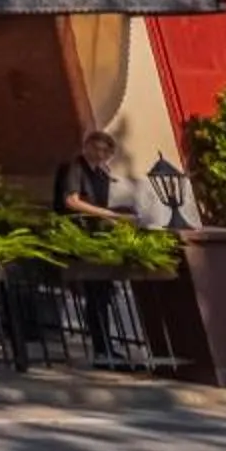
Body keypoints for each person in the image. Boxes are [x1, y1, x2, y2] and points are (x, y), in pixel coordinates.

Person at [54, 130, 131, 366]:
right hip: (79, 235)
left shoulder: (102, 173)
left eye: (106, 152)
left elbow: (101, 203)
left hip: (97, 236)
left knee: (103, 292)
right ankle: (101, 346)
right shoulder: (74, 168)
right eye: (97, 149)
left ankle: (105, 345)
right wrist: (108, 214)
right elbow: (71, 201)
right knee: (94, 290)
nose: (101, 154)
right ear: (86, 146)